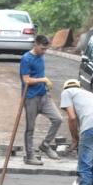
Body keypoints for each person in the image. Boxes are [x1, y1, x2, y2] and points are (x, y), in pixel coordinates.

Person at [19, 35, 62, 165]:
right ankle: (30, 156)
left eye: (46, 49)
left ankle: (45, 144)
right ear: (36, 44)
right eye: (42, 48)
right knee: (30, 128)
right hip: (30, 97)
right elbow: (26, 80)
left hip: (44, 95)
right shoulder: (26, 59)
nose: (44, 51)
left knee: (58, 119)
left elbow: (39, 74)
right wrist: (43, 79)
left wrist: (45, 84)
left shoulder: (41, 56)